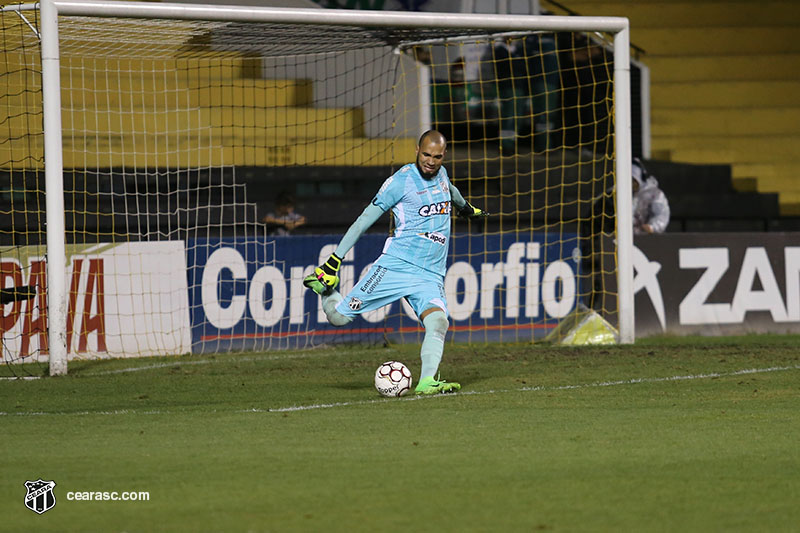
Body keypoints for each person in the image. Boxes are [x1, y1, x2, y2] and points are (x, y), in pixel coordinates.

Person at [303, 130, 488, 395]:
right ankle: (326, 289)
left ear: (443, 155)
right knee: (339, 319)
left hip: (430, 274)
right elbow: (364, 220)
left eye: (436, 156)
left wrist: (466, 208)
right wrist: (335, 260)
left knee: (439, 322)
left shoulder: (442, 174)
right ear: (416, 149)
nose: (431, 161)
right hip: (396, 266)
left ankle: (426, 382)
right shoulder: (400, 182)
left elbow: (451, 191)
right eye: (426, 154)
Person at [632, 158, 670, 234]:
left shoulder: (654, 194)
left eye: (634, 180)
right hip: (627, 238)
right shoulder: (618, 194)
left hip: (649, 239)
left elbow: (662, 214)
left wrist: (652, 226)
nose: (631, 184)